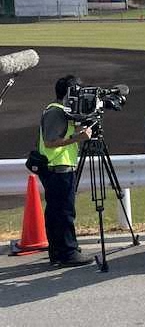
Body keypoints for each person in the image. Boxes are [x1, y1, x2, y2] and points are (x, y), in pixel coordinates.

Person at [37, 75, 92, 266]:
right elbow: (50, 142)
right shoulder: (56, 112)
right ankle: (67, 253)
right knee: (64, 212)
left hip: (59, 168)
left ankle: (60, 251)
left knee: (57, 212)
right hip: (58, 169)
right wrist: (78, 138)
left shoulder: (61, 111)